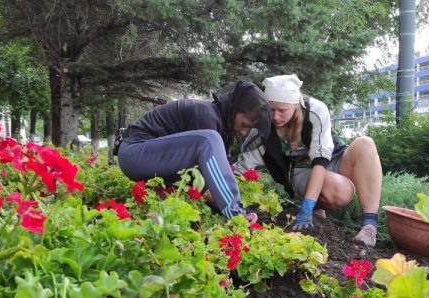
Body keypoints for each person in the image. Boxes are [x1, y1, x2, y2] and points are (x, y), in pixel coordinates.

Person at [234, 74, 383, 247]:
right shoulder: (262, 129)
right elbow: (242, 169)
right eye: (271, 109)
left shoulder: (315, 111)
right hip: (301, 170)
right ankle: (317, 208)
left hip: (332, 158)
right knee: (342, 191)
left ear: (296, 104)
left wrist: (306, 207)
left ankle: (369, 227)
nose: (275, 117)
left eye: (282, 110)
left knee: (366, 144)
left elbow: (320, 158)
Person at [117, 80, 271, 222]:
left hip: (144, 157)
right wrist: (239, 215)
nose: (244, 133)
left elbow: (205, 179)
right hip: (134, 153)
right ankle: (234, 212)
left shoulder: (219, 124)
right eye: (244, 124)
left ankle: (234, 210)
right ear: (235, 110)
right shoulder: (207, 116)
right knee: (208, 140)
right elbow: (206, 187)